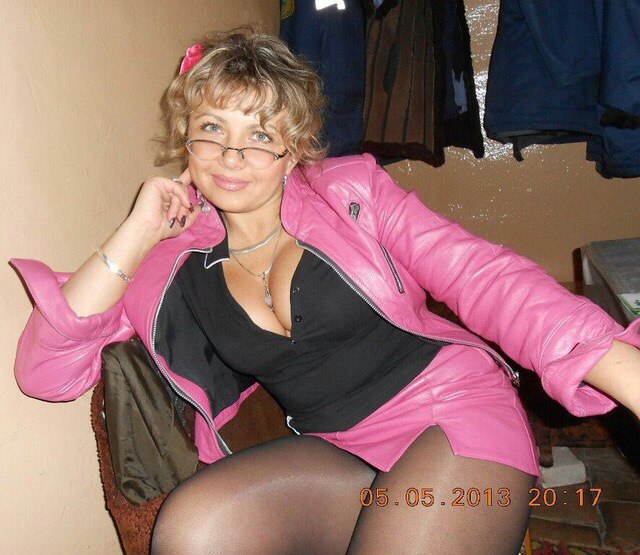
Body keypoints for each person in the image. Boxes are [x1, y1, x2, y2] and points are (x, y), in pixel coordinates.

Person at [12, 30, 640, 554]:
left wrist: (626, 375)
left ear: (294, 150)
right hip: (339, 448)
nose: (232, 154)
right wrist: (138, 229)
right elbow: (46, 374)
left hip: (452, 414)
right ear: (187, 139)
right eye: (212, 128)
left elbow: (485, 277)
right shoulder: (170, 264)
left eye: (261, 135)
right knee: (196, 531)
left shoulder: (352, 194)